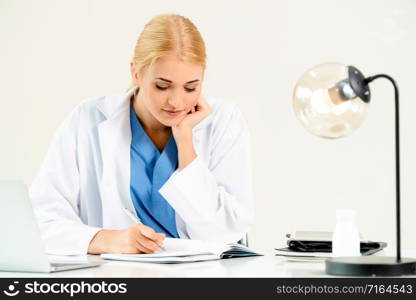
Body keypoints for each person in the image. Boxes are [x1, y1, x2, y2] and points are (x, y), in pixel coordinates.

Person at [29, 14, 253, 255]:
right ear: (136, 72)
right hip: (115, 279)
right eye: (162, 86)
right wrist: (106, 240)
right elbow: (39, 222)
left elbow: (228, 232)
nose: (176, 101)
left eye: (191, 87)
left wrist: (185, 142)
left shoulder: (223, 121)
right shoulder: (87, 119)